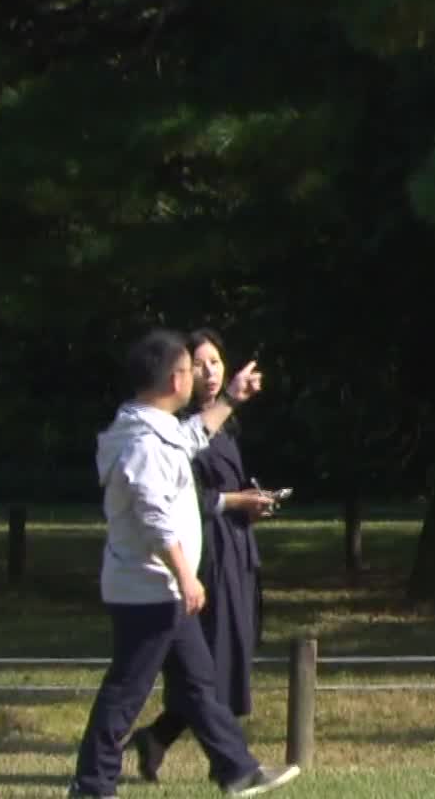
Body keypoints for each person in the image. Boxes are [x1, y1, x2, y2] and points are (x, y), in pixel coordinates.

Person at [68, 329, 300, 799]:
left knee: (199, 685)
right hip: (150, 590)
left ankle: (236, 770)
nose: (198, 378)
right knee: (125, 692)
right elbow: (154, 517)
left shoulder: (157, 429)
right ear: (176, 380)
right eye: (190, 370)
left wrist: (232, 399)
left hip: (163, 589)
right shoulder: (143, 443)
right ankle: (91, 787)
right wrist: (185, 575)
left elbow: (195, 434)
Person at [129, 328, 275, 783]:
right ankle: (225, 762)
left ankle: (158, 738)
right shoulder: (183, 428)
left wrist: (253, 504)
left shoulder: (227, 424)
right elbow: (186, 497)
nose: (208, 372)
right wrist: (235, 502)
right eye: (198, 365)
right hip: (204, 550)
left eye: (215, 362)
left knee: (229, 650)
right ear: (181, 375)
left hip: (236, 547)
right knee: (210, 657)